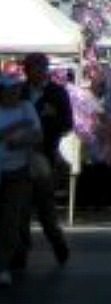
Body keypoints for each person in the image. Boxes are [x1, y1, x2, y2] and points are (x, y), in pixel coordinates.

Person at [18, 52, 71, 266]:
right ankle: (20, 251)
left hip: (45, 156)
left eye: (42, 68)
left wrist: (49, 122)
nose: (39, 72)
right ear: (26, 70)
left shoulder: (57, 93)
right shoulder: (18, 91)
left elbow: (67, 123)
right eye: (34, 68)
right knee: (20, 207)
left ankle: (57, 241)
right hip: (20, 156)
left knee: (45, 206)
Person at [0, 72, 41, 288]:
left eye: (17, 89)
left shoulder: (27, 108)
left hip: (18, 171)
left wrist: (21, 141)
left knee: (11, 220)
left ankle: (3, 266)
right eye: (10, 89)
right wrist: (16, 127)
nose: (14, 93)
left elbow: (38, 135)